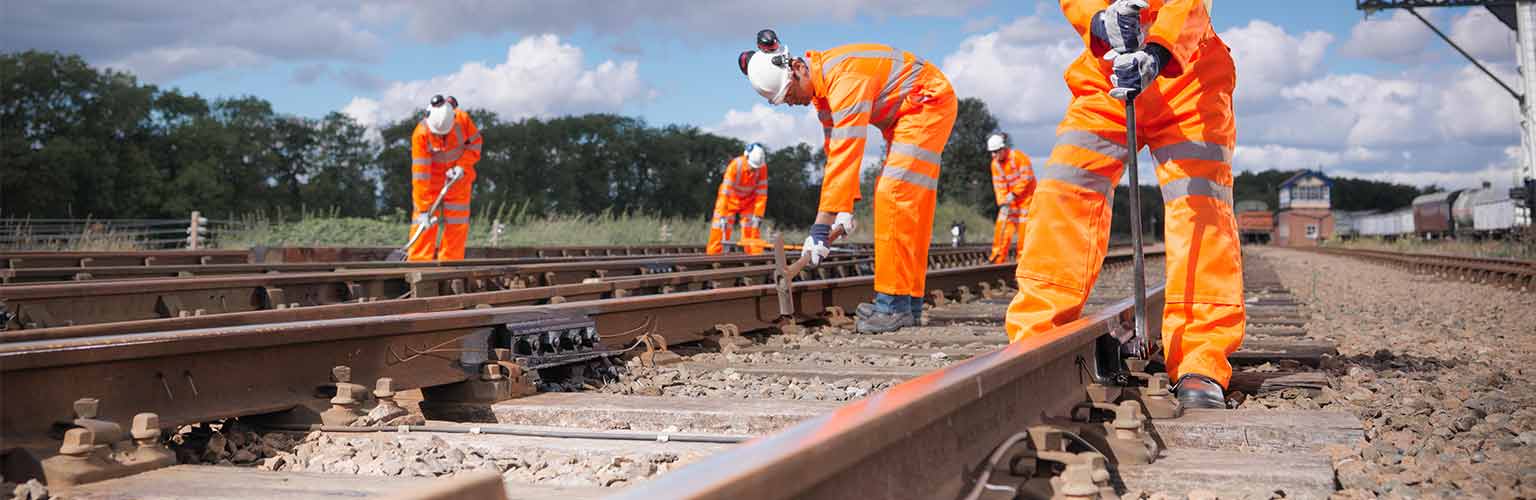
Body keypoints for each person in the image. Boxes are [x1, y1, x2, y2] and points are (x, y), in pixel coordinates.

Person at [1005, 0, 1241, 409]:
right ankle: (1035, 341)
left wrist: (1159, 50)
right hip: (1107, 74)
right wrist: (1097, 19)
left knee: (1200, 211)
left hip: (1190, 76)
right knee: (1067, 188)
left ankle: (1200, 360)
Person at [738, 29, 957, 333]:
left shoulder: (844, 81)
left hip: (926, 102)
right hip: (909, 113)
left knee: (892, 195)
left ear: (798, 68)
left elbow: (847, 155)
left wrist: (820, 227)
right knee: (906, 207)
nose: (791, 103)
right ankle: (907, 304)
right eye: (783, 101)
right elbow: (835, 157)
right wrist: (844, 210)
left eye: (789, 93)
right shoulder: (823, 97)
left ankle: (892, 305)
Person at [408, 94, 482, 261]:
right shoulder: (421, 134)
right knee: (423, 221)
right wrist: (423, 209)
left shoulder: (462, 120)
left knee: (457, 222)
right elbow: (420, 174)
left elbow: (476, 144)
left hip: (458, 179)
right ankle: (419, 261)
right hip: (431, 182)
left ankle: (451, 263)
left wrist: (462, 165)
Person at [706, 143, 770, 255]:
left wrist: (758, 215)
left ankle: (754, 258)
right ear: (746, 157)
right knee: (719, 227)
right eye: (752, 167)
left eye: (756, 168)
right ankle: (714, 255)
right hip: (730, 201)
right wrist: (722, 215)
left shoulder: (762, 167)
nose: (754, 170)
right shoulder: (735, 165)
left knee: (752, 229)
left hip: (749, 202)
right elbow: (725, 192)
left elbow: (761, 193)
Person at [986, 133, 1036, 263]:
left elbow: (1027, 178)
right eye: (991, 152)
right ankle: (998, 258)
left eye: (995, 152)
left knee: (1024, 231)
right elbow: (998, 185)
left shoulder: (1019, 158)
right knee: (1002, 226)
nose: (993, 155)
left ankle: (1022, 260)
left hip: (1026, 199)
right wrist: (1002, 203)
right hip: (1010, 201)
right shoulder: (995, 165)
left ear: (1003, 149)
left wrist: (1014, 194)